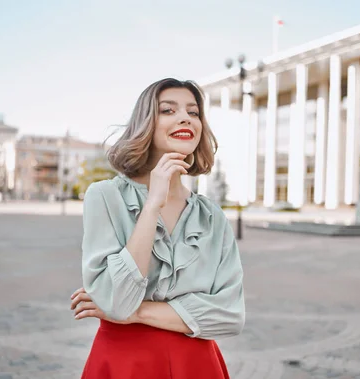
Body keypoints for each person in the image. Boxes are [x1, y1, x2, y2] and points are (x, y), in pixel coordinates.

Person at [70, 78, 245, 379]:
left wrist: (137, 313)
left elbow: (230, 315)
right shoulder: (105, 197)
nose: (185, 118)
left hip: (198, 364)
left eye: (194, 112)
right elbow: (118, 299)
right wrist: (151, 206)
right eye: (168, 110)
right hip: (124, 364)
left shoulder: (212, 217)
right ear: (146, 123)